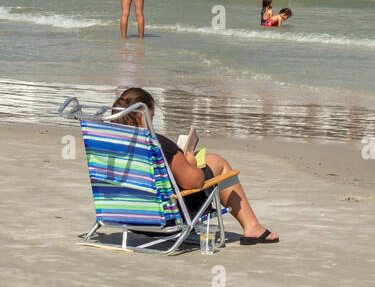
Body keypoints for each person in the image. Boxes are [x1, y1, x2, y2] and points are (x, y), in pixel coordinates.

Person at [108, 88, 278, 245]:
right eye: (152, 118)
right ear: (143, 115)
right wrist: (190, 162)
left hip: (126, 215)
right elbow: (194, 183)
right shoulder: (157, 145)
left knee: (202, 161)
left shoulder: (107, 144)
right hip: (165, 218)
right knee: (217, 162)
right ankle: (252, 227)